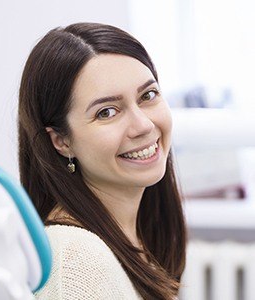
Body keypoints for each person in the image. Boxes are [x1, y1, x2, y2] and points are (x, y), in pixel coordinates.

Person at [18, 22, 187, 300]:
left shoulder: (128, 238)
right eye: (107, 112)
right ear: (61, 141)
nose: (143, 125)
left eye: (148, 95)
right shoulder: (77, 262)